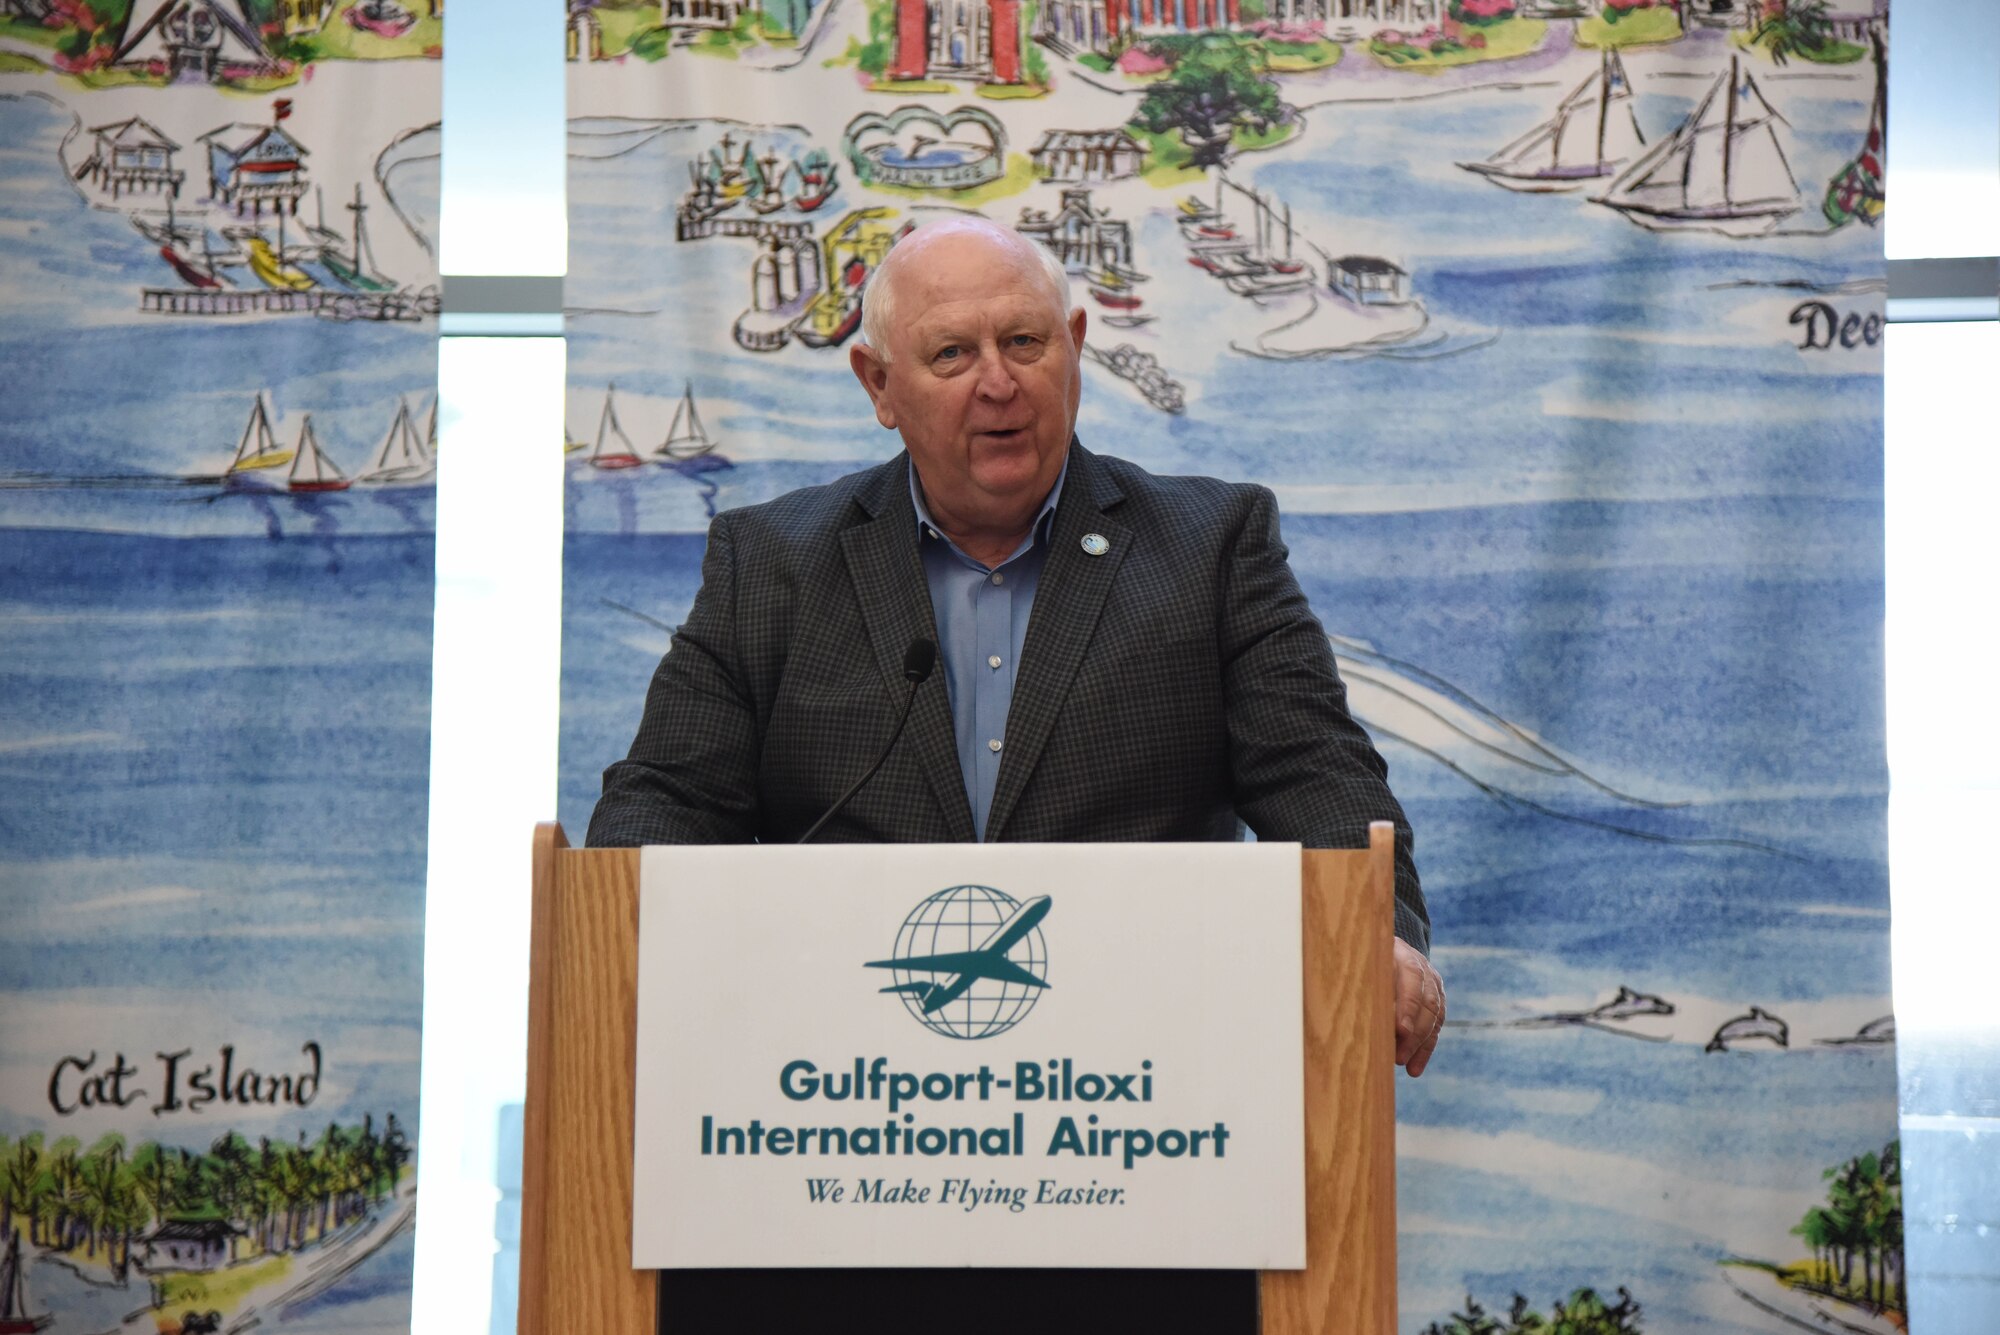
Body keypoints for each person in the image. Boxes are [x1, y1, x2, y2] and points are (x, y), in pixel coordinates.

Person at [589, 216, 1443, 1076]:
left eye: (1025, 342)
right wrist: (606, 937)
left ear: (1073, 349)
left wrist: (1378, 936)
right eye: (952, 354)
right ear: (879, 384)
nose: (998, 382)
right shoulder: (773, 565)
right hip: (837, 1089)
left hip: (1142, 1084)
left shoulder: (1211, 545)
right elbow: (667, 799)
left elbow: (1318, 777)